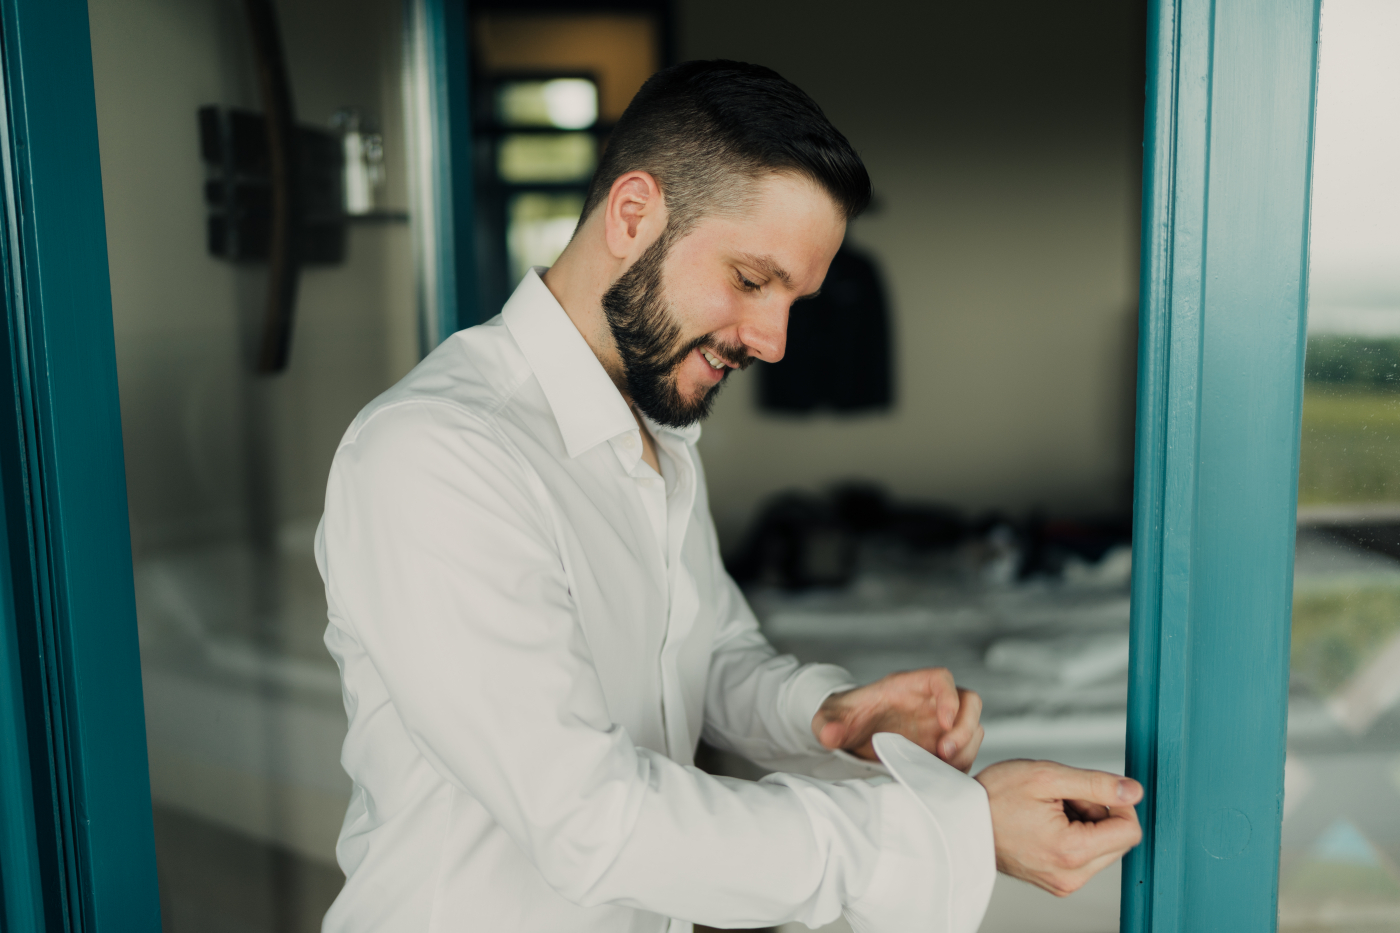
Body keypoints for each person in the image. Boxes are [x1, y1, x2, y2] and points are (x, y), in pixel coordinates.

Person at [316, 60, 1143, 933]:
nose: (775, 342)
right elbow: (591, 821)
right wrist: (955, 831)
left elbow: (705, 651)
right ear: (632, 214)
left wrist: (826, 716)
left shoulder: (656, 430)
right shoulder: (437, 453)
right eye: (752, 279)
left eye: (795, 300)